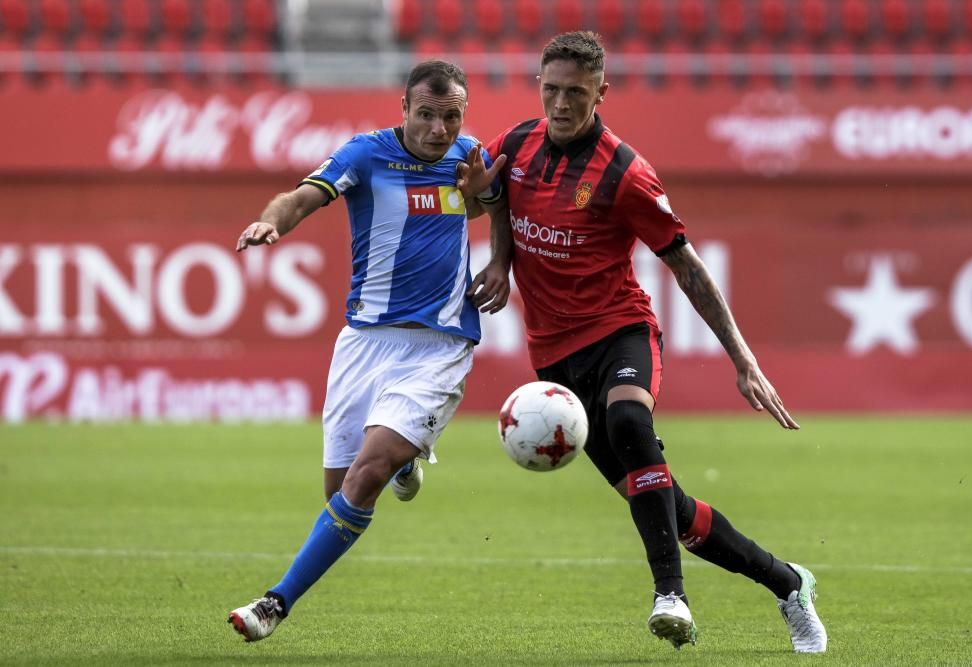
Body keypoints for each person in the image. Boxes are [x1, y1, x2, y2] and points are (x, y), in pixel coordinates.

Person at [473, 32, 828, 653]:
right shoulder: (515, 144)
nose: (560, 105)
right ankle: (788, 581)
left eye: (575, 94)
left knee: (631, 422)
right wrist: (501, 259)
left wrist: (744, 362)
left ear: (601, 93)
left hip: (619, 330)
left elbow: (688, 268)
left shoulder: (625, 173)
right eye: (551, 90)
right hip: (553, 355)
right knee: (673, 511)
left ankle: (671, 596)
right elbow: (494, 193)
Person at [227, 60, 509, 643]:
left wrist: (498, 250)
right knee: (338, 495)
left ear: (464, 114)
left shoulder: (473, 157)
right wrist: (270, 224)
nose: (439, 128)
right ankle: (406, 458)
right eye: (427, 115)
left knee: (366, 475)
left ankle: (276, 602)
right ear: (404, 111)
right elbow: (300, 197)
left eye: (451, 116)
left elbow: (498, 203)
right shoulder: (365, 155)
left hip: (440, 342)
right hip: (364, 342)